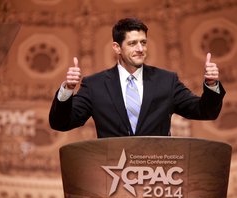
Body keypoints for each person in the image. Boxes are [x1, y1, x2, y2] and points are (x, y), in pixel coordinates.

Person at [49, 18, 226, 138]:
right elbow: (61, 123)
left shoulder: (167, 81)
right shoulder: (95, 85)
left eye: (143, 42)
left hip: (158, 178)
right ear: (117, 48)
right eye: (133, 43)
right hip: (114, 178)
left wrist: (211, 85)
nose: (140, 49)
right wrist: (67, 90)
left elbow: (205, 111)